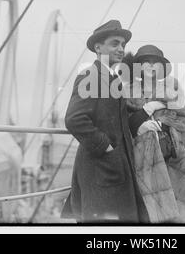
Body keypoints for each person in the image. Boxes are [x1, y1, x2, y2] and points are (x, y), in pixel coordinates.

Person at [60, 20, 149, 223]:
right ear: (98, 48)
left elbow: (109, 109)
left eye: (123, 45)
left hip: (113, 168)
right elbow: (74, 119)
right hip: (101, 168)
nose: (121, 49)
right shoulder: (90, 76)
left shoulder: (110, 79)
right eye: (115, 43)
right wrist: (106, 146)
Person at [123, 45, 185, 223]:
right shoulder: (127, 91)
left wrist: (163, 118)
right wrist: (142, 123)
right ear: (138, 67)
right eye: (145, 63)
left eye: (155, 63)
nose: (150, 66)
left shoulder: (172, 88)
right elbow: (124, 124)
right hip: (144, 157)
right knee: (150, 209)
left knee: (179, 207)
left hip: (174, 154)